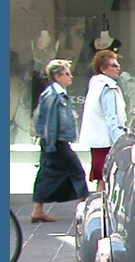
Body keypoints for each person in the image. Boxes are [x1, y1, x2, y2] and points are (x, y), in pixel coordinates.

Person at [29, 59, 88, 222]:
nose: (71, 77)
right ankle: (86, 205)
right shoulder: (52, 95)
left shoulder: (58, 93)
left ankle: (38, 210)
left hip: (56, 141)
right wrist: (50, 144)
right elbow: (48, 121)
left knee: (46, 174)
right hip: (55, 142)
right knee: (76, 170)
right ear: (57, 76)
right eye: (67, 74)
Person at [79, 49, 127, 191]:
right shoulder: (108, 87)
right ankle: (100, 207)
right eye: (113, 65)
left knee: (102, 178)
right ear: (103, 69)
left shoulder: (96, 84)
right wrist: (119, 141)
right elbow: (111, 117)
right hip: (106, 141)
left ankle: (99, 206)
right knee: (106, 177)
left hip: (99, 140)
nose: (118, 68)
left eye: (118, 64)